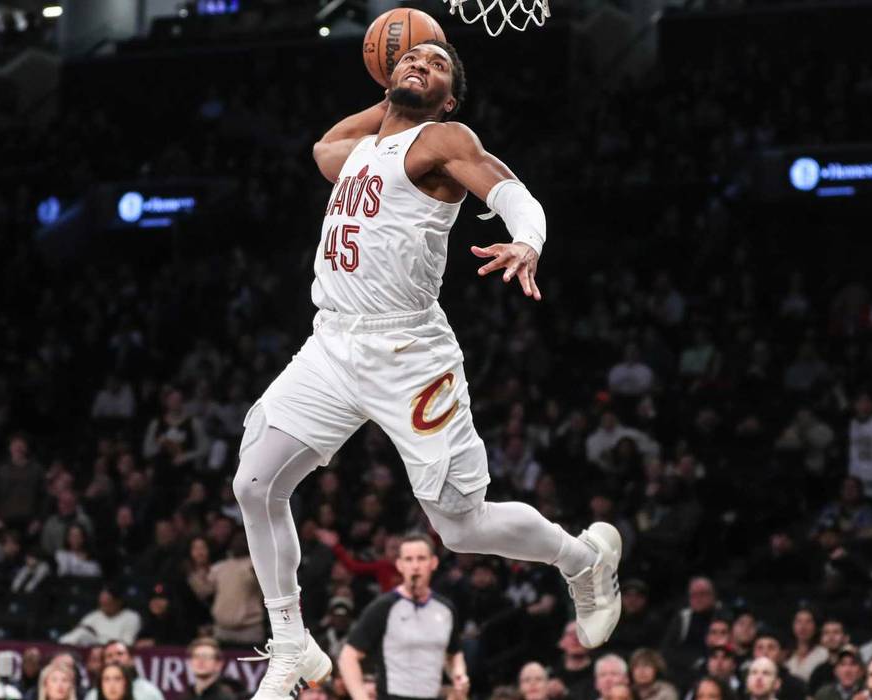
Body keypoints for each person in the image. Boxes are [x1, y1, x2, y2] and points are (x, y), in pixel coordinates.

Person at [231, 37, 621, 699]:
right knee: (254, 485)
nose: (420, 63)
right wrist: (388, 90)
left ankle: (583, 559)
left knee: (459, 528)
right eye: (411, 57)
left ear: (450, 98)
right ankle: (293, 644)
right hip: (331, 344)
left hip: (408, 353)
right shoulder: (355, 154)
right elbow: (321, 144)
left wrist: (527, 239)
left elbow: (514, 192)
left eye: (438, 65)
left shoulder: (442, 142)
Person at [338, 535, 465, 700]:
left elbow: (453, 653)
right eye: (409, 559)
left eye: (421, 559)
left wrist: (459, 673)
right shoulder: (384, 607)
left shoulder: (445, 609)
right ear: (399, 565)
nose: (415, 566)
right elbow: (348, 656)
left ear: (433, 562)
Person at [59, 586, 141, 647]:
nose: (103, 607)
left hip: (114, 649)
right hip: (93, 649)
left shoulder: (131, 617)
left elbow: (127, 643)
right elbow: (79, 632)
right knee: (81, 633)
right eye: (101, 604)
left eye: (107, 604)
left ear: (118, 602)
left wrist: (101, 639)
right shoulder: (95, 615)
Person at [80, 642, 163, 700]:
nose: (115, 659)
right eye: (109, 656)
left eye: (120, 654)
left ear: (131, 659)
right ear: (103, 662)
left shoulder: (149, 692)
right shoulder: (93, 696)